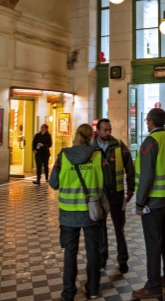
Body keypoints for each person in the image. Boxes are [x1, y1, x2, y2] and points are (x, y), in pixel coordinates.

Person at [50, 124, 106, 300]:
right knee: (93, 250)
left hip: (68, 213)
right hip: (92, 211)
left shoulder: (63, 156)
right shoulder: (98, 155)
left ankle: (69, 292)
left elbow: (53, 183)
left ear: (76, 135)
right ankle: (93, 289)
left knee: (70, 252)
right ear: (92, 136)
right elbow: (109, 180)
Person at [132, 108, 165, 299]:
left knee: (153, 242)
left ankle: (153, 285)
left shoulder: (150, 142)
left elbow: (146, 176)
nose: (146, 123)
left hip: (152, 201)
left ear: (151, 122)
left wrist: (139, 203)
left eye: (147, 120)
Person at [92, 118, 135, 273]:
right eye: (105, 130)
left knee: (119, 228)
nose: (108, 133)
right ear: (98, 130)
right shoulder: (91, 147)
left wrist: (131, 189)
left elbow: (130, 167)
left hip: (116, 194)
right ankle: (103, 258)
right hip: (99, 195)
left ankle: (122, 260)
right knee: (101, 228)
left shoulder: (118, 145)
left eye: (109, 130)